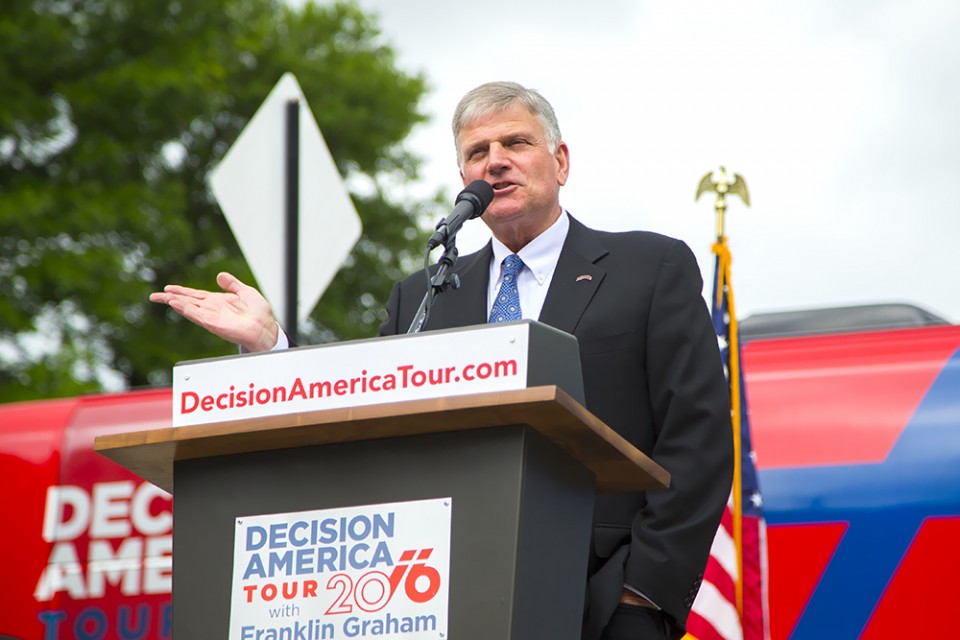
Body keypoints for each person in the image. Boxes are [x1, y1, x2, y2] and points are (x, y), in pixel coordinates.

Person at [151, 81, 733, 640]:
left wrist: (642, 593)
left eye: (516, 143)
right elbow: (364, 418)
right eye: (478, 153)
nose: (496, 161)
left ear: (560, 162)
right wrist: (271, 348)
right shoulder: (423, 296)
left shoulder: (647, 267)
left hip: (604, 598)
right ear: (463, 180)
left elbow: (698, 436)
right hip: (446, 598)